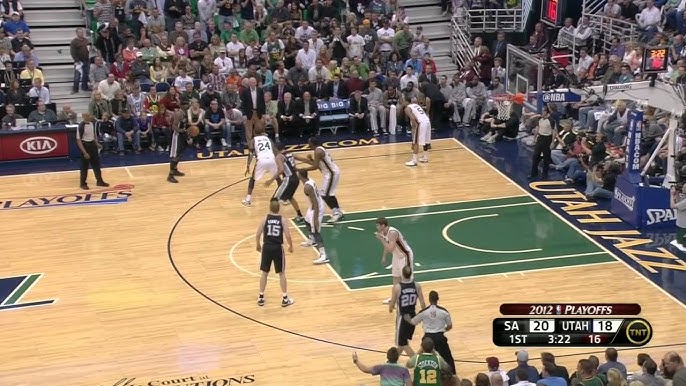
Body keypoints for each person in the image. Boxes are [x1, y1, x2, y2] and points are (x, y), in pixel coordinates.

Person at [404, 291, 456, 375]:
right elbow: (450, 326)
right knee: (447, 357)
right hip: (440, 337)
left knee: (421, 356)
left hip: (427, 338)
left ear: (429, 299)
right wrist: (442, 330)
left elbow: (413, 322)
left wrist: (407, 319)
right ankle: (452, 376)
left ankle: (422, 372)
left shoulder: (424, 312)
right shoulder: (444, 311)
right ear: (437, 299)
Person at [255, 199, 294, 307]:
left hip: (266, 247)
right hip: (277, 248)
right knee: (281, 273)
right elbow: (288, 235)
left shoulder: (264, 219)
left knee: (264, 273)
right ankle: (285, 298)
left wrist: (258, 244)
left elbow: (258, 234)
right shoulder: (282, 220)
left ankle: (261, 297)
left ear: (270, 208)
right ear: (278, 208)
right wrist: (291, 245)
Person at [294, 136, 344, 222]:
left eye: (309, 143)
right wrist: (298, 158)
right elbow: (315, 163)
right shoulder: (318, 149)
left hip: (331, 173)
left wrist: (301, 170)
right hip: (329, 173)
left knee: (324, 194)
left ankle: (336, 213)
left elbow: (315, 166)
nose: (308, 144)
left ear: (313, 143)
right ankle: (338, 211)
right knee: (329, 194)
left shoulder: (318, 151)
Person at [375, 217, 415, 304]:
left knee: (406, 278)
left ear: (383, 225)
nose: (376, 227)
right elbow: (387, 245)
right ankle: (394, 298)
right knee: (396, 277)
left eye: (378, 226)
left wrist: (381, 239)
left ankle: (409, 298)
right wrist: (384, 256)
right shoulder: (383, 232)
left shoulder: (392, 233)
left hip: (405, 256)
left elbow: (390, 248)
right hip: (396, 256)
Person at [389, 265, 425, 357]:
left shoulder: (397, 287)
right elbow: (422, 303)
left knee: (402, 343)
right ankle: (393, 360)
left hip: (403, 318)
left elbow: (392, 304)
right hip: (413, 316)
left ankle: (415, 360)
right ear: (411, 274)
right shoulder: (417, 285)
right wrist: (423, 317)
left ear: (402, 274)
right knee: (404, 341)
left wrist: (391, 308)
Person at [266, 142, 305, 222]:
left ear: (276, 149)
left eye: (273, 149)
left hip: (289, 178)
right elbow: (302, 159)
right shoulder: (290, 154)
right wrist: (311, 161)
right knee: (290, 197)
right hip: (296, 179)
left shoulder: (278, 157)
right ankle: (300, 215)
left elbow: (281, 170)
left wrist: (271, 180)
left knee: (274, 200)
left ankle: (274, 219)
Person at [297, 170, 328, 264]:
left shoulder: (307, 187)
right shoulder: (309, 180)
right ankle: (311, 240)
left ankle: (323, 255)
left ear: (300, 176)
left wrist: (315, 218)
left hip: (316, 208)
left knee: (316, 231)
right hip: (313, 206)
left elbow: (315, 203)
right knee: (306, 221)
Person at [242, 126, 279, 206]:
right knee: (278, 178)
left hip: (261, 160)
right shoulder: (268, 139)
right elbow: (275, 150)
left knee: (252, 179)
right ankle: (284, 198)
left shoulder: (253, 140)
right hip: (272, 158)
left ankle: (248, 200)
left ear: (254, 133)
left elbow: (251, 153)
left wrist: (248, 165)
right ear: (262, 132)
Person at [75, 112, 109, 190]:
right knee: (84, 166)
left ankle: (99, 181)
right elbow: (78, 140)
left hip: (92, 146)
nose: (90, 116)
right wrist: (84, 152)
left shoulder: (92, 124)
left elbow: (93, 135)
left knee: (96, 165)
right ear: (84, 116)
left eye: (90, 115)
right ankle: (83, 183)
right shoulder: (81, 126)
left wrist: (97, 144)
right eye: (88, 115)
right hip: (85, 145)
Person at [167, 96, 190, 183]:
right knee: (176, 155)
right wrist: (182, 131)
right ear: (183, 105)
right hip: (176, 136)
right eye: (187, 104)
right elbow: (174, 126)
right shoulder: (178, 113)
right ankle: (170, 175)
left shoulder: (185, 112)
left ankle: (175, 170)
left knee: (180, 154)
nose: (188, 105)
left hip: (181, 135)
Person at [404, 99, 431, 167]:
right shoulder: (416, 105)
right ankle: (425, 157)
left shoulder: (407, 108)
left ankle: (414, 161)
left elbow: (413, 119)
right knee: (425, 141)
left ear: (407, 102)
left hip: (420, 123)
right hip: (427, 121)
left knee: (416, 142)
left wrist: (413, 141)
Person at [670, 183, 686, 252]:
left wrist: (671, 194)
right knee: (679, 242)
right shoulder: (684, 198)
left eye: (684, 187)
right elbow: (678, 202)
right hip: (680, 224)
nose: (682, 188)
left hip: (684, 226)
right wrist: (676, 194)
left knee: (684, 246)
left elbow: (673, 206)